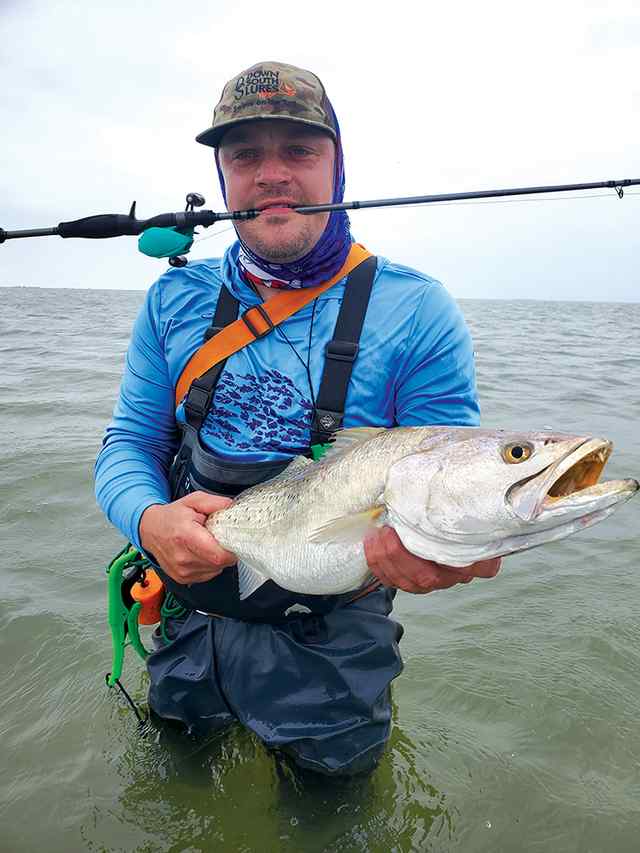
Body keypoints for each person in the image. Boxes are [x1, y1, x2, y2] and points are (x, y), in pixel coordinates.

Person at [95, 61, 500, 776]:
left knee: (328, 814)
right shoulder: (173, 300)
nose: (271, 172)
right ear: (223, 176)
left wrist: (447, 550)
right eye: (245, 153)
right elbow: (127, 444)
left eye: (299, 150)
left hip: (334, 642)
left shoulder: (418, 311)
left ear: (337, 167)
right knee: (176, 782)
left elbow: (446, 478)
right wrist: (148, 521)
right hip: (190, 618)